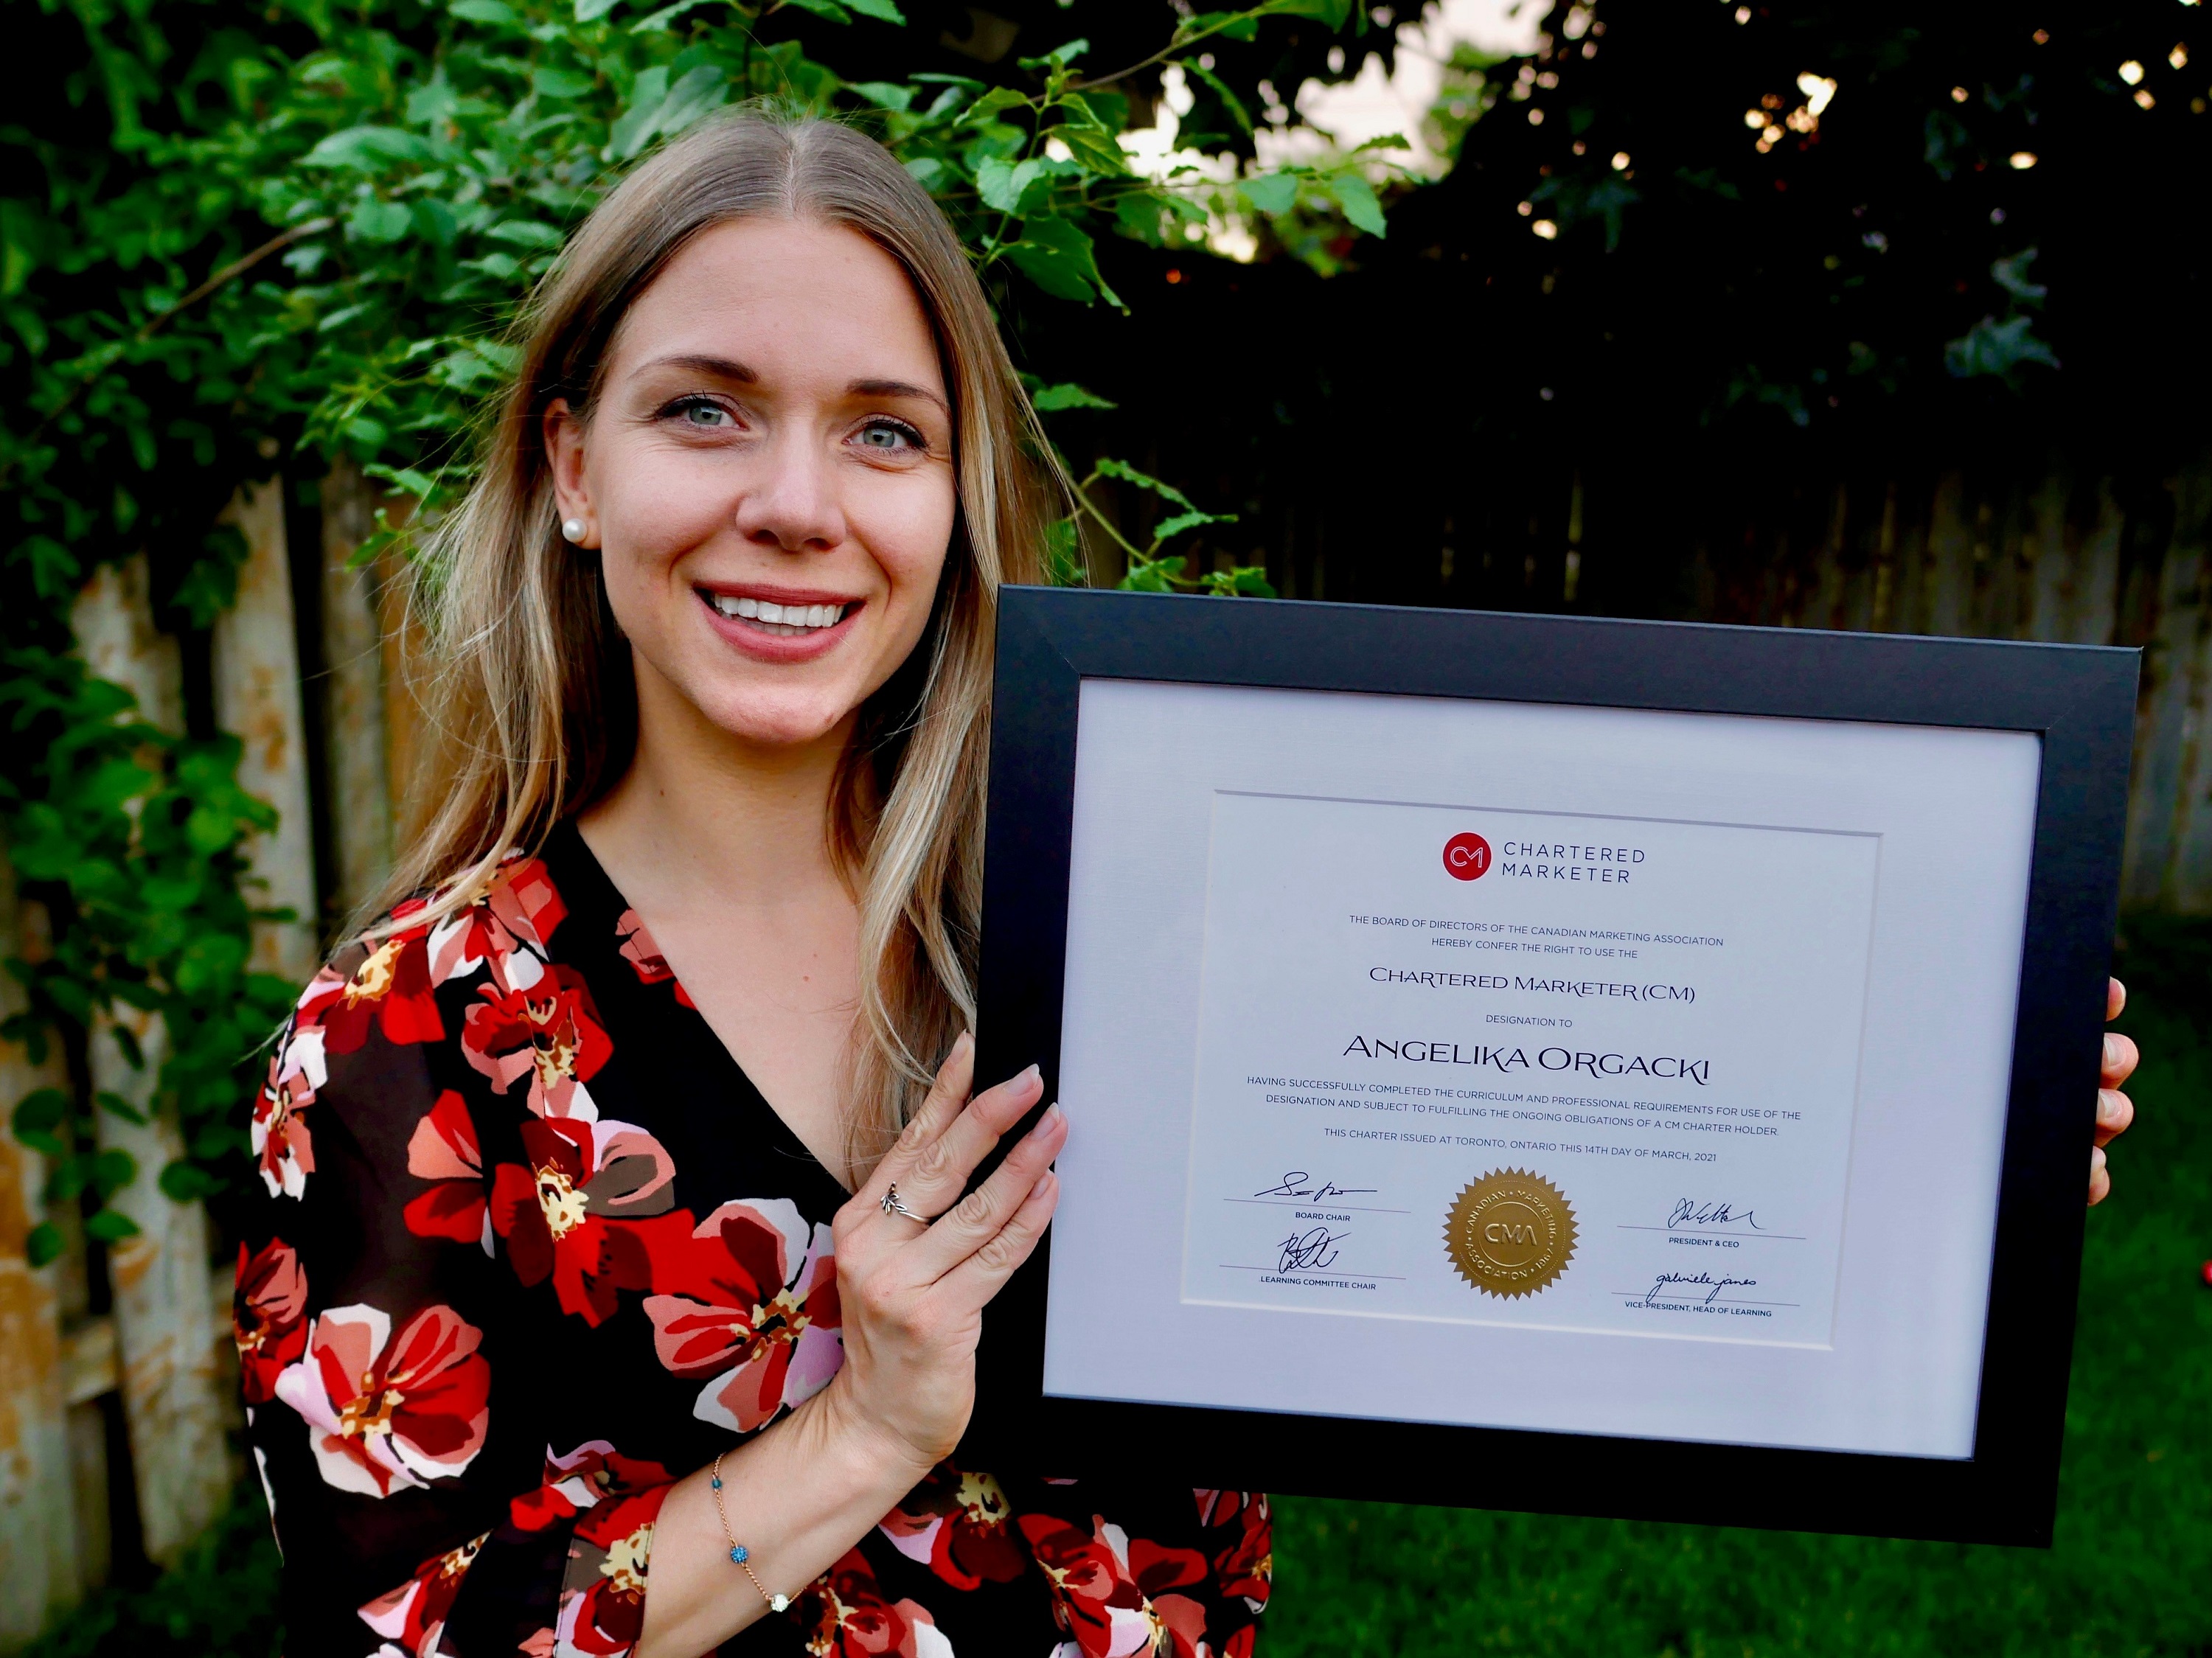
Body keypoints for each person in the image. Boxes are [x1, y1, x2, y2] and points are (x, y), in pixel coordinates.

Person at [229, 110, 2137, 1658]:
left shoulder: (1129, 918)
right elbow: (408, 1625)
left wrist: (1940, 1155)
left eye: (884, 428)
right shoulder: (405, 1048)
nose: (799, 501)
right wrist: (868, 1425)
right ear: (572, 463)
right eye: (705, 406)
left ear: (957, 492)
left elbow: (1482, 1217)